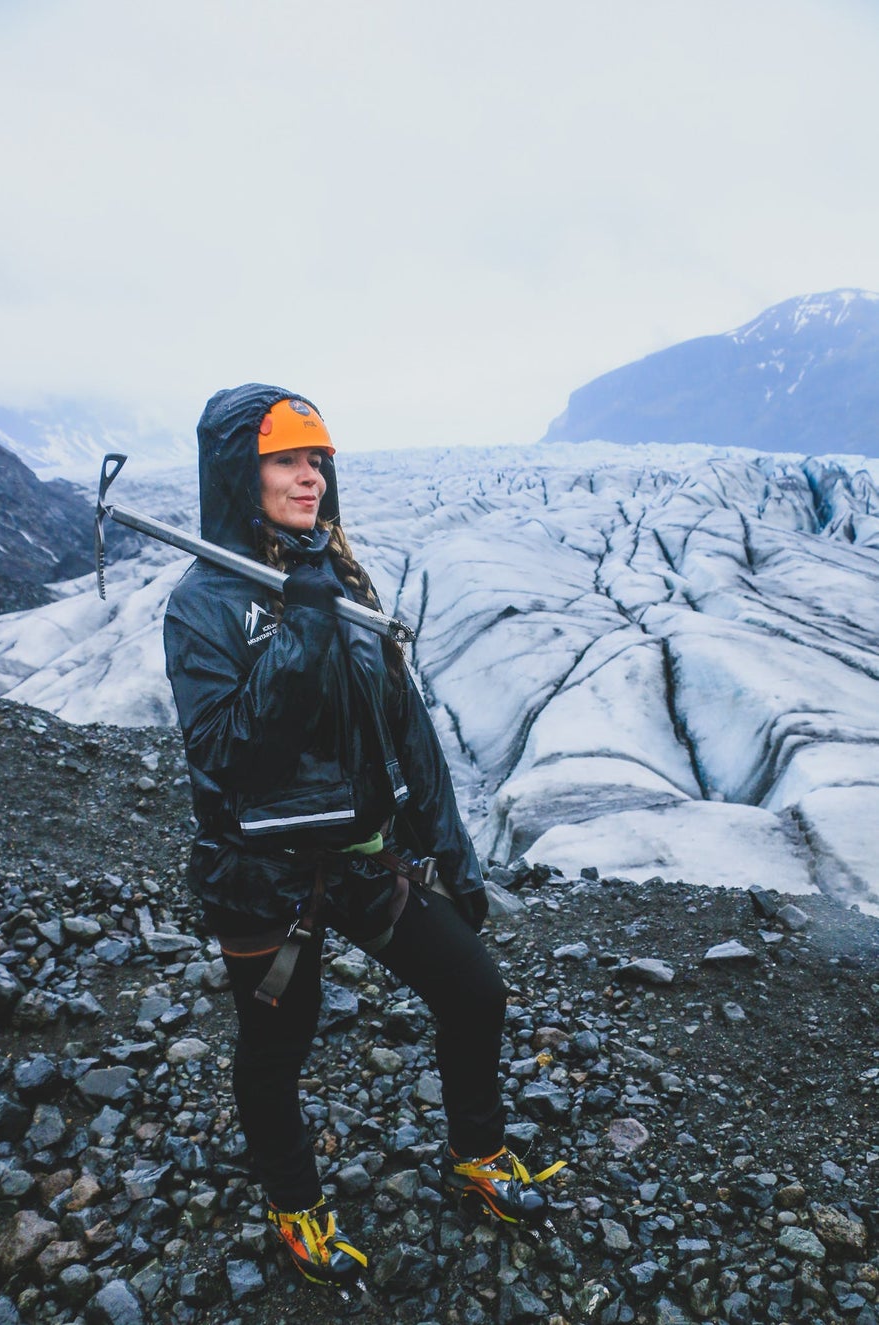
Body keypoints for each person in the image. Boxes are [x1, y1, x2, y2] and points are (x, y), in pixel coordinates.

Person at [163, 382, 565, 1289]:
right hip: (260, 878)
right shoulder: (206, 604)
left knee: (472, 989)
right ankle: (294, 1206)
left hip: (360, 861)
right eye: (284, 459)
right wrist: (299, 627)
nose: (308, 479)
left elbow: (401, 724)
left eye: (317, 461)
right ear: (239, 471)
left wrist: (448, 848)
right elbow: (231, 757)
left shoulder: (334, 576)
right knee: (277, 1047)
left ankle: (476, 1156)